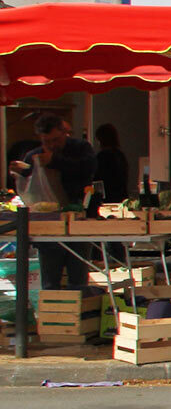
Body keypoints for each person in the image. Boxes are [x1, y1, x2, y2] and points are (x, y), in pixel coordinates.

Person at [11, 112, 94, 289]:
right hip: (48, 227)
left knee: (78, 280)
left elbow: (88, 168)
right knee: (50, 281)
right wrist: (19, 172)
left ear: (64, 132)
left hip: (79, 222)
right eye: (47, 141)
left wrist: (55, 161)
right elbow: (28, 184)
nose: (52, 145)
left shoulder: (81, 148)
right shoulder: (34, 155)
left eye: (56, 140)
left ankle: (81, 303)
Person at [92, 123, 130, 206]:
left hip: (107, 199)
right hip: (121, 197)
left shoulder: (101, 156)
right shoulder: (120, 155)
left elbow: (98, 179)